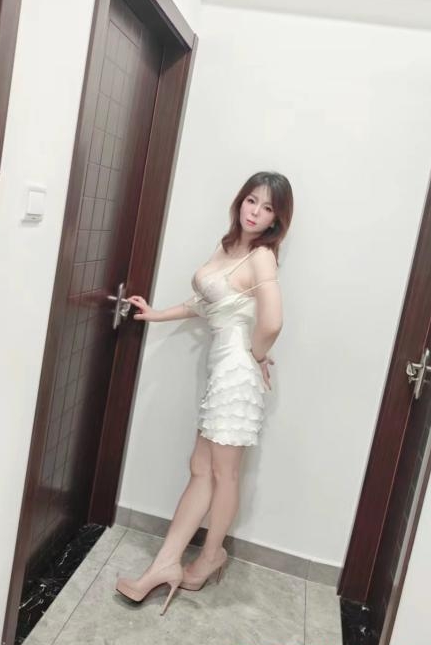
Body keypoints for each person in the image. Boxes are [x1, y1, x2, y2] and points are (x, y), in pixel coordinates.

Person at [115, 171, 293, 615]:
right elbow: (205, 303)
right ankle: (167, 563)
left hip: (236, 374)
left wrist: (254, 357)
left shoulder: (262, 257)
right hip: (223, 371)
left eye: (267, 208)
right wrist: (156, 314)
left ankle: (211, 556)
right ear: (240, 201)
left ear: (276, 220)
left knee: (223, 474)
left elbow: (272, 322)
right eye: (251, 200)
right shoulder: (228, 246)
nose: (255, 212)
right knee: (200, 468)